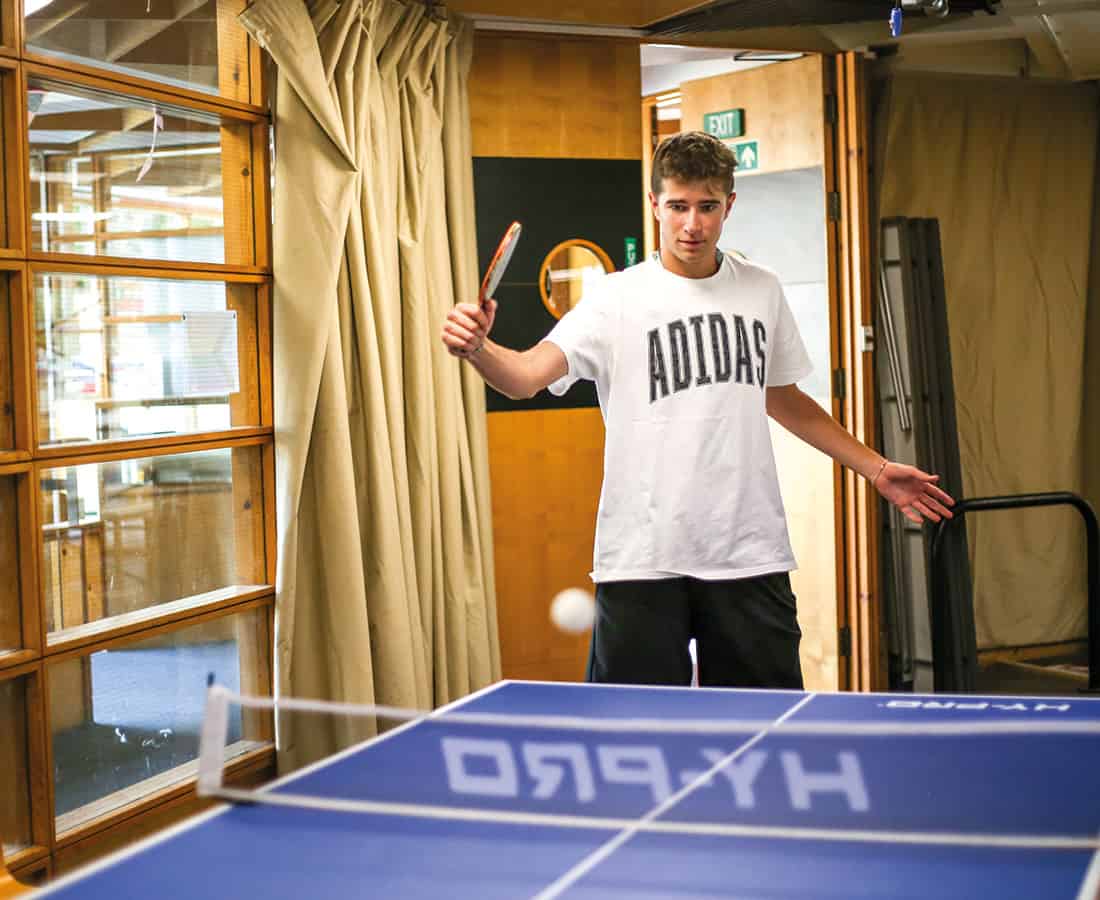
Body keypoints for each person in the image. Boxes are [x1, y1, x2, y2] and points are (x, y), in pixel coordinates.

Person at [441, 131, 954, 690]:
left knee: (764, 734)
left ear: (728, 205)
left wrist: (876, 470)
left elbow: (783, 397)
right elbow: (523, 378)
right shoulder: (614, 299)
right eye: (678, 206)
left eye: (707, 207)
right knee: (635, 738)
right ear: (655, 205)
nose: (692, 224)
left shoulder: (762, 289)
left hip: (748, 554)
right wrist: (479, 349)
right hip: (642, 557)